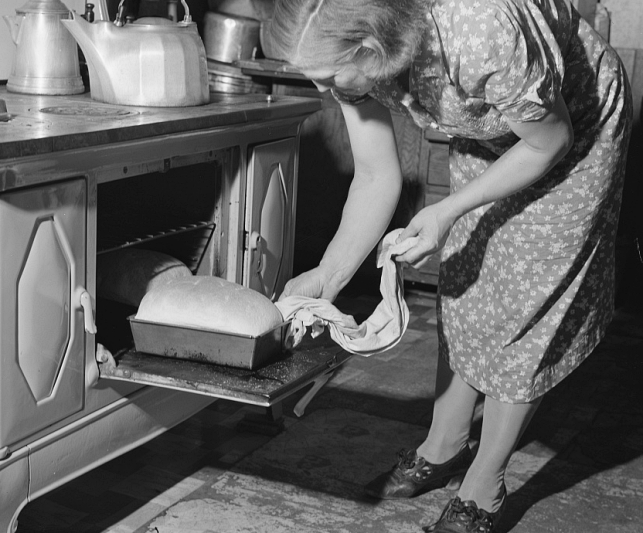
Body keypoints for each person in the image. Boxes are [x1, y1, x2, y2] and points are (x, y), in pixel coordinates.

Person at [267, 0, 632, 531]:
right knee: (467, 274)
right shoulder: (352, 53)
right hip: (495, 122)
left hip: (569, 120)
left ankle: (485, 485)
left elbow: (550, 139)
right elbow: (374, 176)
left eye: (325, 77)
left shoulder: (478, 26)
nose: (323, 89)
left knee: (526, 298)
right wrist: (329, 274)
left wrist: (450, 208)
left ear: (370, 47)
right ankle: (444, 444)